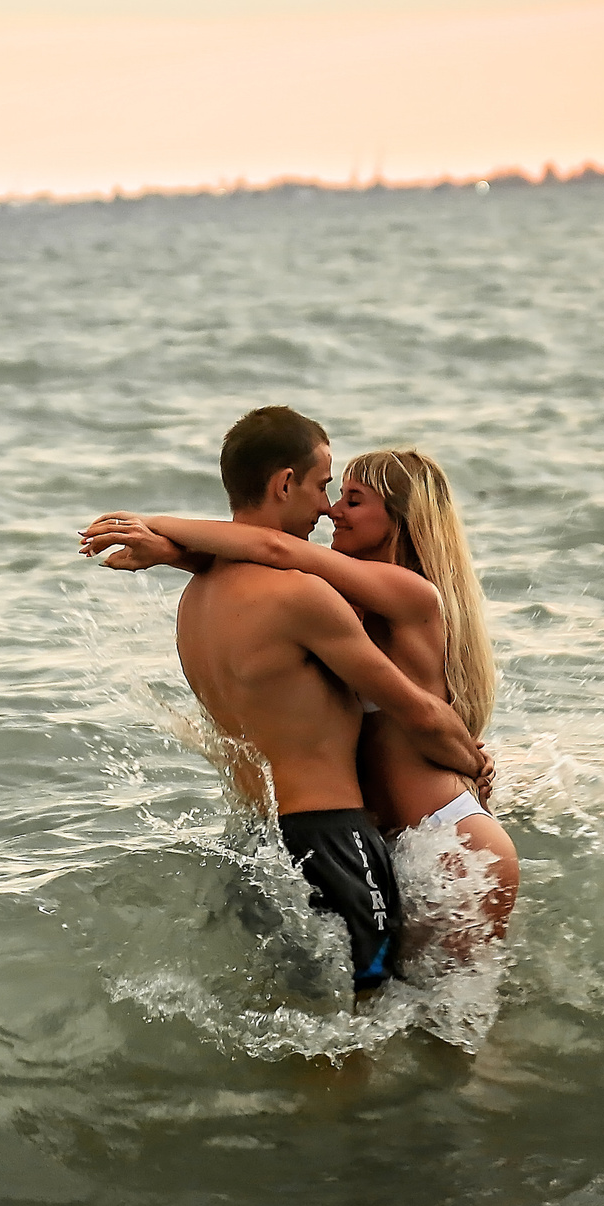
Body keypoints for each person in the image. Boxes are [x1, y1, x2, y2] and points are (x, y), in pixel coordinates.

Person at [83, 406, 489, 996]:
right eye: (325, 487)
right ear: (284, 483)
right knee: (375, 1017)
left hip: (256, 844)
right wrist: (474, 762)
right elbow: (418, 711)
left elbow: (260, 557)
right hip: (334, 838)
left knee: (294, 1013)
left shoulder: (195, 602)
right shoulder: (304, 598)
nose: (327, 508)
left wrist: (173, 547)